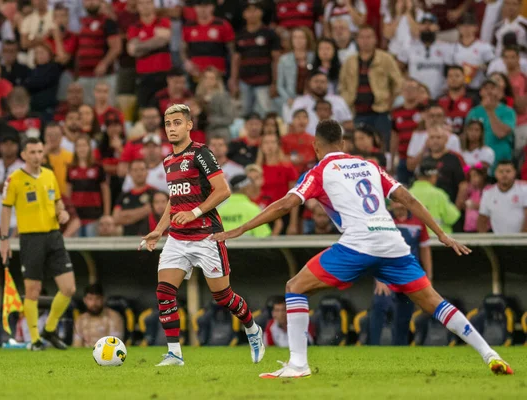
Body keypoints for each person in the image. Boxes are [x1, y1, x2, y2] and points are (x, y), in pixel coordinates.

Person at [213, 119, 513, 378]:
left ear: (317, 146)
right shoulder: (369, 166)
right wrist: (441, 235)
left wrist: (241, 228)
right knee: (435, 302)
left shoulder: (320, 170)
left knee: (295, 286)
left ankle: (298, 364)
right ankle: (490, 355)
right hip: (392, 242)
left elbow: (286, 204)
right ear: (343, 142)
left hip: (359, 244)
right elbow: (408, 199)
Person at [139, 104, 265, 366]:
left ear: (188, 125)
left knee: (223, 297)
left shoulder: (201, 153)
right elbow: (174, 201)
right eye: (168, 124)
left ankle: (252, 329)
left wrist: (195, 212)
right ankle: (174, 353)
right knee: (164, 291)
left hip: (207, 236)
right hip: (178, 237)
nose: (171, 128)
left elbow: (223, 190)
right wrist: (159, 230)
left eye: (176, 123)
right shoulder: (168, 160)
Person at [0, 137, 76, 351]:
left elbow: (58, 201)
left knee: (68, 288)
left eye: (39, 152)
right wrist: (4, 239)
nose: (36, 156)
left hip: (53, 236)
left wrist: (62, 212)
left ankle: (49, 329)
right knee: (33, 290)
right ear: (23, 154)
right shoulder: (14, 179)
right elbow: (6, 208)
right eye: (32, 152)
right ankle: (35, 340)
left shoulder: (49, 175)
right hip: (31, 239)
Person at [369, 198, 432, 346]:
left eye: (399, 201)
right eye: (394, 202)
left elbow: (425, 249)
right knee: (380, 305)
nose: (397, 205)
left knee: (405, 313)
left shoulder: (418, 220)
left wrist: (428, 276)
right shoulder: (382, 220)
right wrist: (378, 278)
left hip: (409, 273)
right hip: (387, 273)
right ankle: (372, 347)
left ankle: (401, 347)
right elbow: (374, 248)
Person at [339, 24, 403, 148]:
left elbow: (398, 83)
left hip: (380, 111)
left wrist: (390, 101)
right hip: (357, 112)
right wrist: (347, 100)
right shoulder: (350, 61)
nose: (365, 41)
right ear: (357, 40)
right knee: (359, 148)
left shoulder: (385, 58)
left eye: (369, 37)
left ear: (375, 39)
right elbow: (342, 85)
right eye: (362, 37)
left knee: (383, 145)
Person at [230, 0, 281, 117]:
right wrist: (234, 80)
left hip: (264, 82)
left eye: (255, 10)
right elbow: (236, 59)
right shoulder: (240, 35)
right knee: (243, 114)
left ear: (261, 13)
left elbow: (276, 60)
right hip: (245, 81)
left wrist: (275, 82)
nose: (252, 14)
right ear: (244, 14)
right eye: (249, 11)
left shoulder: (270, 34)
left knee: (266, 114)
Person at [75, 0, 121, 106]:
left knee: (106, 107)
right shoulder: (82, 23)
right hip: (84, 75)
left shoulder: (108, 22)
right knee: (86, 110)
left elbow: (116, 47)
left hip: (104, 76)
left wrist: (104, 63)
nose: (90, 2)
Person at [127, 0, 172, 107]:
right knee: (145, 108)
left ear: (153, 5)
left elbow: (164, 40)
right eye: (141, 3)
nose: (145, 6)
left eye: (148, 3)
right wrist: (155, 40)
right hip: (144, 75)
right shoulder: (134, 27)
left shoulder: (163, 22)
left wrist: (140, 46)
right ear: (137, 7)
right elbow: (132, 51)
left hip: (163, 73)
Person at [397, 14, 453, 100]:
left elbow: (451, 71)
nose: (427, 27)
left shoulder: (446, 47)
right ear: (418, 26)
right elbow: (398, 69)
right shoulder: (409, 47)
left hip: (439, 95)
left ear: (437, 27)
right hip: (415, 96)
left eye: (430, 24)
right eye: (424, 24)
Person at [466, 78, 516, 170]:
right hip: (478, 164)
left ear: (499, 91)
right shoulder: (473, 112)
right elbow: (467, 137)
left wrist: (490, 111)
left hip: (501, 162)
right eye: (485, 88)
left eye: (492, 88)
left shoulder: (508, 111)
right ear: (480, 92)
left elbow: (500, 133)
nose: (489, 91)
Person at [256, 130, 299, 234]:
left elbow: (295, 197)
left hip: (282, 213)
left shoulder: (287, 167)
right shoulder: (257, 168)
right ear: (261, 146)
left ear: (278, 145)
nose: (269, 146)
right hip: (261, 213)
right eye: (266, 142)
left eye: (273, 142)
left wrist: (293, 224)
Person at [66, 136, 111, 237]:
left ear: (89, 148)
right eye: (79, 146)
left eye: (84, 145)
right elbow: (68, 193)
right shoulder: (71, 169)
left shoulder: (98, 167)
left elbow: (105, 191)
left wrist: (106, 214)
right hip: (76, 218)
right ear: (75, 149)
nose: (82, 148)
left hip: (94, 216)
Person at [182, 0, 235, 80]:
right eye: (199, 6)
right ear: (195, 8)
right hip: (196, 74)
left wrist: (231, 74)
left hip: (218, 74)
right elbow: (182, 49)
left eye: (206, 6)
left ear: (212, 7)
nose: (203, 9)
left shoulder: (223, 24)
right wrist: (186, 62)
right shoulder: (188, 26)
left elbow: (232, 51)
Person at [289, 71, 354, 135]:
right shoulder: (299, 102)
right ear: (309, 83)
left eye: (323, 82)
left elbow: (348, 124)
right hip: (306, 142)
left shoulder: (338, 100)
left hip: (333, 141)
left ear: (328, 84)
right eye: (316, 81)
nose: (319, 85)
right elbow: (291, 126)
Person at [406, 102, 462, 173]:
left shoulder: (453, 138)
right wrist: (425, 149)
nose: (435, 119)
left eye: (439, 116)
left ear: (444, 118)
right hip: (422, 178)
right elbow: (410, 166)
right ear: (426, 118)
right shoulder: (417, 136)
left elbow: (458, 165)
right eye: (431, 116)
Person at [409, 159, 461, 234]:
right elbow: (452, 218)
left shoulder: (408, 193)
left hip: (414, 238)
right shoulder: (438, 194)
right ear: (433, 176)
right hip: (438, 239)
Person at [478, 160, 527, 233]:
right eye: (501, 171)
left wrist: (523, 238)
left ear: (515, 173)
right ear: (495, 173)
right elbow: (482, 218)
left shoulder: (524, 188)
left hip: (522, 239)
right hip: (498, 240)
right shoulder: (488, 193)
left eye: (508, 171)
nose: (504, 174)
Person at [451, 13, 496, 91]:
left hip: (478, 88)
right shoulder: (452, 47)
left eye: (470, 25)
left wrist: (481, 67)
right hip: (458, 88)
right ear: (458, 27)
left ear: (476, 28)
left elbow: (493, 65)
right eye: (463, 25)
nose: (466, 28)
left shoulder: (484, 46)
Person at [422, 127, 466, 203]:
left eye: (438, 137)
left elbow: (463, 185)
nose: (435, 141)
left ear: (446, 140)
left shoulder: (456, 158)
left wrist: (456, 210)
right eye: (432, 137)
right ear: (428, 141)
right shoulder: (424, 160)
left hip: (450, 207)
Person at [391, 78, 423, 184]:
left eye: (412, 88)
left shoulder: (424, 110)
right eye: (406, 88)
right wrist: (391, 160)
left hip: (421, 158)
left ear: (419, 91)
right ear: (402, 92)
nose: (409, 91)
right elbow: (394, 136)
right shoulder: (396, 112)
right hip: (403, 158)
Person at [114, 159, 157, 236]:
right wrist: (143, 211)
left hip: (148, 239)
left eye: (142, 169)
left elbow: (157, 211)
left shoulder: (155, 193)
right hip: (126, 240)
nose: (139, 173)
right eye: (135, 170)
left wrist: (125, 215)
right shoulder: (124, 195)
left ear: (147, 172)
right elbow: (116, 218)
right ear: (129, 173)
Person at [277, 27, 316, 112]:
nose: (298, 40)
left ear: (307, 39)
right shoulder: (284, 59)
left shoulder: (314, 57)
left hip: (311, 99)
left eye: (302, 37)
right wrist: (288, 99)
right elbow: (280, 85)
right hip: (291, 99)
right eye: (295, 37)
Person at [73, 283, 124, 347]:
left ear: (103, 299)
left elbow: (115, 345)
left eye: (97, 298)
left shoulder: (114, 317)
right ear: (85, 300)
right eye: (90, 299)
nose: (94, 303)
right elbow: (77, 346)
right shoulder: (80, 320)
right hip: (84, 355)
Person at [437, 66, 481, 136]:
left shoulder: (473, 99)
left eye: (457, 76)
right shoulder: (439, 100)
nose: (453, 79)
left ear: (464, 78)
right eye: (450, 76)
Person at [196, 67, 234, 140]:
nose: (208, 81)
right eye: (206, 78)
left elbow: (229, 119)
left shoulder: (223, 96)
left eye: (211, 78)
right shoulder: (199, 96)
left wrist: (210, 120)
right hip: (205, 133)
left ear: (217, 81)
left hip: (220, 132)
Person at [503, 46, 527, 154]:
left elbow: (521, 108)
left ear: (518, 58)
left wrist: (508, 91)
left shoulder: (523, 79)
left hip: (520, 124)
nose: (509, 60)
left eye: (513, 57)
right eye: (506, 57)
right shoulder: (500, 79)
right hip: (503, 125)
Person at [281, 109, 315, 175]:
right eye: (298, 117)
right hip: (290, 173)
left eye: (305, 117)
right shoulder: (284, 139)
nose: (301, 120)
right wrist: (290, 159)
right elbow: (280, 157)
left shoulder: (313, 139)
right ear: (293, 120)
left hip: (309, 173)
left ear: (308, 121)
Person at [456, 164, 489, 233]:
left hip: (485, 228)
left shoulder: (489, 189)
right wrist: (461, 191)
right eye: (470, 176)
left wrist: (476, 206)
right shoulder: (468, 189)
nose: (472, 179)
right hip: (469, 228)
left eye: (475, 175)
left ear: (483, 176)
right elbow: (458, 207)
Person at [44, 123, 73, 197]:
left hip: (66, 198)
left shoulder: (70, 157)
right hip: (46, 199)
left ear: (62, 137)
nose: (53, 138)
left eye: (56, 135)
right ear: (44, 137)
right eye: (50, 135)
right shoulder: (39, 158)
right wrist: (43, 153)